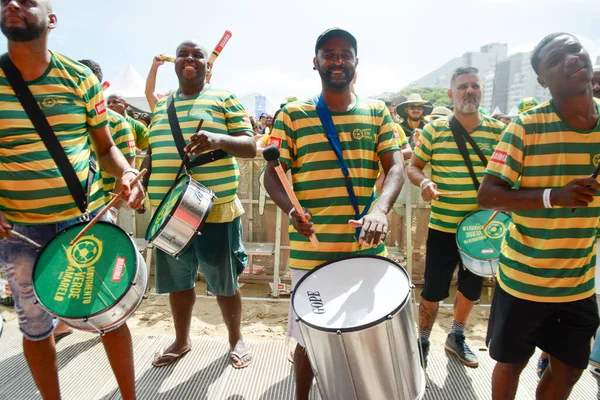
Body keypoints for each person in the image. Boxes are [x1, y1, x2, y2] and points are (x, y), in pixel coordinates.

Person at [0, 1, 145, 399]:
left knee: (109, 316)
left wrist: (128, 173)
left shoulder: (80, 78)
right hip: (20, 232)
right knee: (34, 326)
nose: (12, 4)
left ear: (52, 19)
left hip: (82, 223)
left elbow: (106, 147)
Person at [264, 28, 404, 400]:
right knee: (310, 339)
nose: (337, 60)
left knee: (366, 335)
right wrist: (291, 209)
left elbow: (396, 167)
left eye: (345, 54)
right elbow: (272, 174)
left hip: (366, 246)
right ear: (316, 62)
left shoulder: (377, 111)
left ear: (357, 62)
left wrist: (380, 208)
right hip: (311, 251)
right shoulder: (292, 114)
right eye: (329, 54)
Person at [478, 33, 600, 400]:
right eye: (556, 58)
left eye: (575, 49)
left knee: (569, 369)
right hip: (523, 279)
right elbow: (487, 195)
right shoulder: (526, 126)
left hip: (578, 282)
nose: (571, 59)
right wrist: (554, 197)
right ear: (542, 80)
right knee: (511, 363)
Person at [142, 39, 256, 369]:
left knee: (223, 281)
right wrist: (141, 176)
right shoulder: (162, 105)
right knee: (178, 281)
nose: (189, 59)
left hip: (213, 207)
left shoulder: (223, 98)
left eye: (197, 55)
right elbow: (154, 149)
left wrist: (217, 140)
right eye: (183, 55)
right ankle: (181, 340)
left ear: (209, 65)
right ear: (174, 63)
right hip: (168, 209)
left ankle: (236, 340)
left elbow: (250, 146)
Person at [408, 66, 505, 369]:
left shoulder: (498, 131)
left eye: (475, 86)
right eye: (462, 86)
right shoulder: (434, 130)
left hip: (482, 229)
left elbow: (508, 176)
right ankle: (422, 339)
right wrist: (424, 182)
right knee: (433, 288)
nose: (469, 91)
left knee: (471, 288)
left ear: (482, 91)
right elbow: (414, 166)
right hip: (443, 227)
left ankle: (456, 337)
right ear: (451, 94)